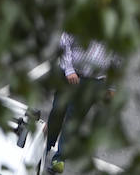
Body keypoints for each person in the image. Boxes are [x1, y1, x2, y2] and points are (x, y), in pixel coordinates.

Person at [45, 32, 119, 172]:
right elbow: (64, 40)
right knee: (57, 111)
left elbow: (117, 58)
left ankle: (59, 159)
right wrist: (69, 69)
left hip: (94, 82)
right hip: (71, 75)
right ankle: (46, 146)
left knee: (74, 120)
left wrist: (111, 86)